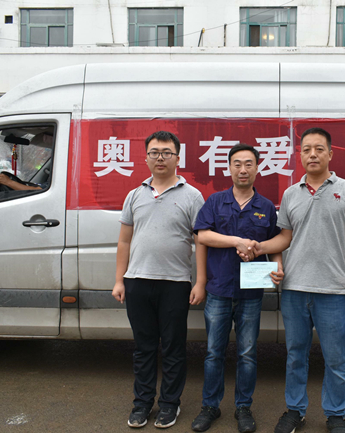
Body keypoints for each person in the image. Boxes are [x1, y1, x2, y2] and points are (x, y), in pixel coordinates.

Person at [247, 128, 345, 433]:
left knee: (336, 358)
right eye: (306, 149)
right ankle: (295, 411)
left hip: (332, 291)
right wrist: (259, 248)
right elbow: (285, 238)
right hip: (294, 290)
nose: (312, 154)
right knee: (295, 356)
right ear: (299, 155)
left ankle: (336, 415)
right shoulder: (291, 194)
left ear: (330, 154)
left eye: (319, 149)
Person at [112, 130, 207, 429]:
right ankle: (141, 403)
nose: (160, 158)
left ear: (178, 158)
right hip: (137, 281)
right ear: (146, 158)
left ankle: (169, 404)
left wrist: (200, 282)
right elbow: (124, 241)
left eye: (167, 153)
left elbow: (201, 242)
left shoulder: (192, 196)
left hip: (175, 283)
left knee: (173, 348)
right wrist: (119, 280)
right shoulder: (135, 195)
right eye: (154, 152)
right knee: (144, 348)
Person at [191, 144, 283, 433]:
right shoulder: (215, 201)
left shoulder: (266, 207)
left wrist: (278, 266)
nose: (243, 170)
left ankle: (243, 407)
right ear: (229, 168)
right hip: (218, 290)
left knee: (247, 354)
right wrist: (237, 242)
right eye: (237, 164)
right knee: (213, 352)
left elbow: (276, 242)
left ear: (257, 168)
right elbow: (203, 236)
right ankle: (210, 406)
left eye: (249, 164)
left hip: (251, 294)